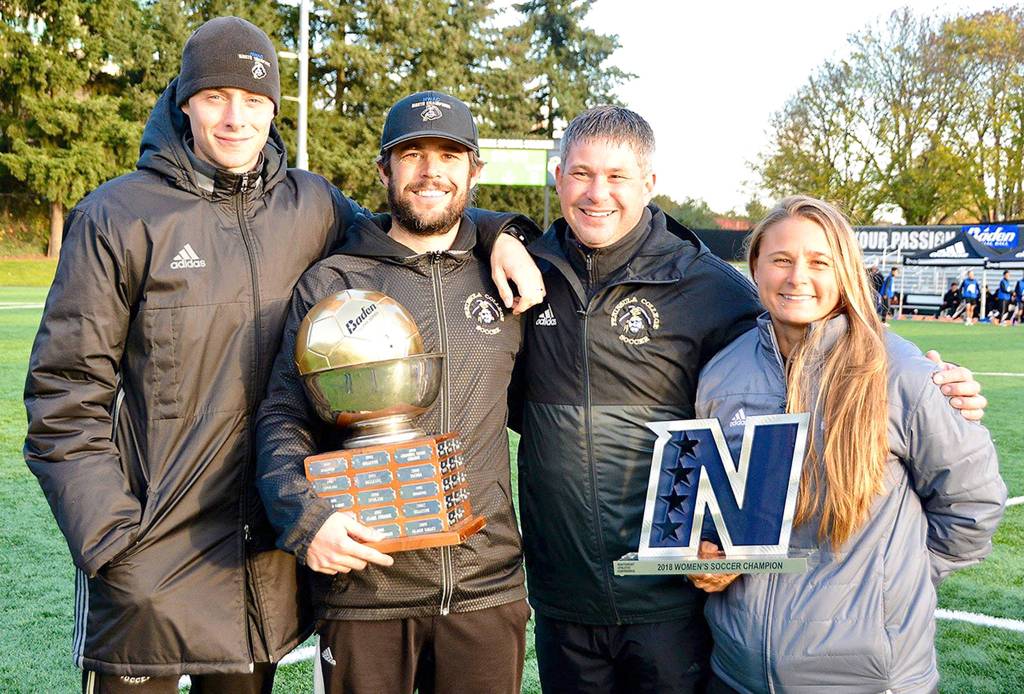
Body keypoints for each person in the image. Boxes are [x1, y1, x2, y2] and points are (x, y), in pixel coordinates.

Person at [22, 18, 540, 694]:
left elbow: (410, 230)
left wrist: (500, 233)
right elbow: (64, 395)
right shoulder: (118, 216)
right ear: (184, 101)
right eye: (215, 97)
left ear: (273, 109)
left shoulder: (311, 203)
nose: (235, 118)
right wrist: (111, 541)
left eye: (253, 99)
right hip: (149, 557)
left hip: (262, 556)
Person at [508, 106, 990, 694]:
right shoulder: (523, 271)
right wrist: (496, 231)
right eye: (582, 174)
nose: (597, 192)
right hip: (580, 598)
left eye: (617, 176)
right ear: (558, 177)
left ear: (650, 183)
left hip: (681, 613)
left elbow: (967, 501)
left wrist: (897, 580)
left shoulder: (714, 288)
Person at [255, 91, 532, 694]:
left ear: (474, 171)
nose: (431, 171)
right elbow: (283, 416)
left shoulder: (510, 278)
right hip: (365, 590)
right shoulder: (335, 281)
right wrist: (305, 518)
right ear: (383, 170)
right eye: (412, 154)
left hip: (486, 588)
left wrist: (506, 233)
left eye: (449, 155)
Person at [691, 196, 1006, 694]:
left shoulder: (903, 373)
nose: (797, 277)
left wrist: (892, 585)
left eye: (819, 262)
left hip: (866, 679)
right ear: (755, 267)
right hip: (738, 673)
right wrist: (710, 553)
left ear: (845, 272)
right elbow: (711, 500)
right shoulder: (722, 371)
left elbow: (973, 503)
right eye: (781, 259)